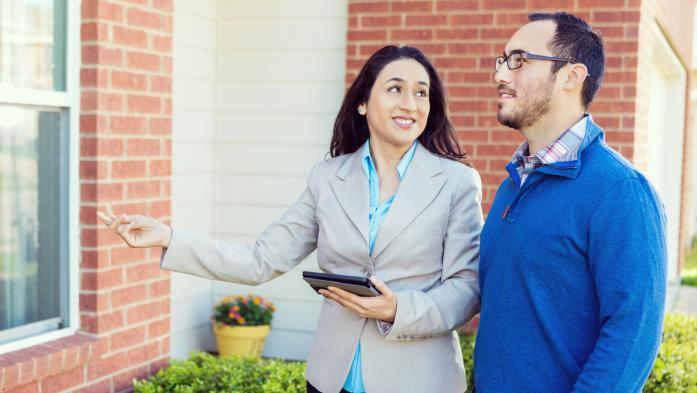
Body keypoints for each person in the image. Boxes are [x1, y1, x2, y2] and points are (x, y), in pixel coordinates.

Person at [99, 45, 483, 393]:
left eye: (421, 93)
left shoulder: (455, 182)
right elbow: (260, 259)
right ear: (363, 102)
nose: (410, 103)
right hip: (332, 378)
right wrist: (170, 238)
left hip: (419, 381)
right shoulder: (327, 177)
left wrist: (399, 309)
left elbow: (466, 288)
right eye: (395, 88)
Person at [474, 11, 667, 393]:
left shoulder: (620, 191)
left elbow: (634, 332)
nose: (500, 75)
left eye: (519, 61)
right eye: (502, 60)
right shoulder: (515, 181)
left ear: (571, 76)